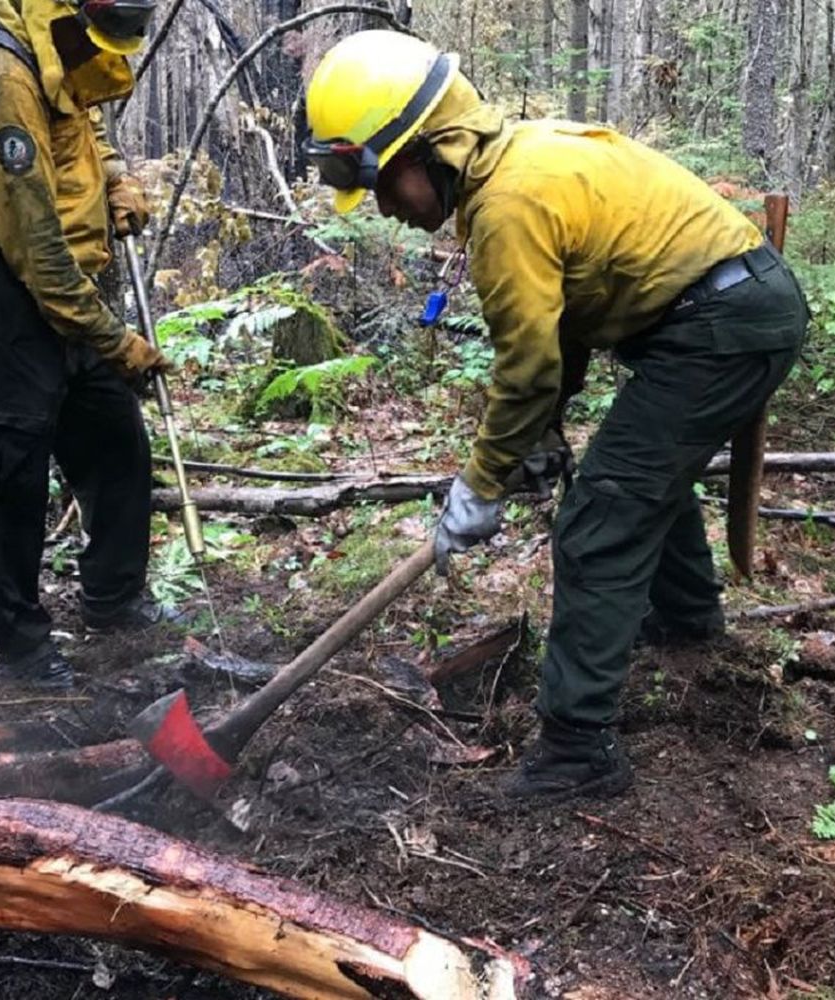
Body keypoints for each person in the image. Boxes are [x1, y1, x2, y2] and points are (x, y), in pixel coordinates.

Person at [302, 31, 808, 799]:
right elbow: (560, 332)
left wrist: (481, 484)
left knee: (599, 521)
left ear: (427, 149)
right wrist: (536, 437)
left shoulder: (507, 203)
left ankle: (578, 752)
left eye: (381, 182)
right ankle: (686, 621)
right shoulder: (516, 164)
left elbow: (529, 368)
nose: (383, 207)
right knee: (635, 480)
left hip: (719, 327)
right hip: (728, 312)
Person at [0, 0, 172, 688]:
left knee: (113, 439)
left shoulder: (55, 44)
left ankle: (114, 598)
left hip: (64, 277)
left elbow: (84, 119)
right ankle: (19, 646)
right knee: (12, 465)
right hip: (0, 288)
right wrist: (113, 339)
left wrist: (118, 178)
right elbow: (31, 245)